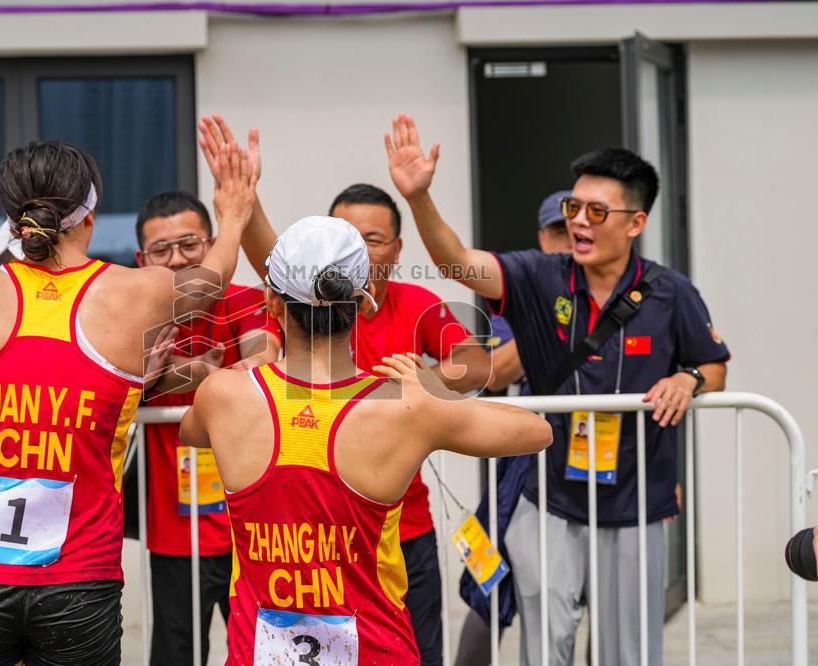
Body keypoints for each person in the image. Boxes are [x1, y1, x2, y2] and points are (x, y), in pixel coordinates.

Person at [0, 138, 256, 665]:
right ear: (89, 214)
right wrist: (233, 215)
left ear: (14, 223)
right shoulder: (139, 291)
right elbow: (212, 281)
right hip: (80, 580)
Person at [383, 114, 730, 666]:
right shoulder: (540, 275)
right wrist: (421, 199)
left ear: (636, 222)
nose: (580, 223)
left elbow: (715, 366)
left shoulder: (671, 292)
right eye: (573, 209)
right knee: (546, 649)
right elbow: (458, 262)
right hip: (547, 497)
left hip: (639, 501)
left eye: (598, 212)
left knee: (629, 653)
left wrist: (686, 379)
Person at [178, 215, 552, 665]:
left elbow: (191, 432)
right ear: (362, 302)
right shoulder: (404, 410)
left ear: (272, 303)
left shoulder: (225, 396)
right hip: (378, 650)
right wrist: (434, 394)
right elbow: (537, 431)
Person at [199, 115, 492, 666]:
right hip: (307, 541)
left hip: (400, 528)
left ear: (396, 249)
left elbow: (475, 364)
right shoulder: (303, 304)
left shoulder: (414, 303)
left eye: (370, 239)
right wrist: (248, 199)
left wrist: (415, 389)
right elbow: (278, 266)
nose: (352, 249)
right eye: (341, 237)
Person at [134, 190, 281, 666]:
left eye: (190, 244)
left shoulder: (243, 300)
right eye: (161, 250)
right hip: (174, 533)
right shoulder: (135, 312)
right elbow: (129, 376)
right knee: (176, 655)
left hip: (254, 528)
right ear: (142, 260)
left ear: (213, 244)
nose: (177, 259)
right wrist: (207, 372)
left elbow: (265, 363)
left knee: (268, 652)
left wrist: (177, 371)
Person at [455, 189, 573, 666]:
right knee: (490, 576)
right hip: (525, 470)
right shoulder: (521, 301)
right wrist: (563, 325)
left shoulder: (620, 294)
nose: (566, 242)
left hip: (603, 470)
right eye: (556, 231)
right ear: (542, 237)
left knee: (586, 594)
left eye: (574, 232)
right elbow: (494, 370)